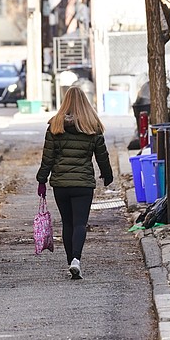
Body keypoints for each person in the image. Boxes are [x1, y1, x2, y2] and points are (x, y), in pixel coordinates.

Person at [36, 86, 114, 280]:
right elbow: (102, 156)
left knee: (67, 223)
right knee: (80, 223)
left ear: (65, 102)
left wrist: (42, 180)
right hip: (83, 184)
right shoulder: (92, 126)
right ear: (85, 102)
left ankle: (70, 260)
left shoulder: (55, 125)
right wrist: (107, 174)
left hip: (61, 184)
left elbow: (48, 157)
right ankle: (76, 261)